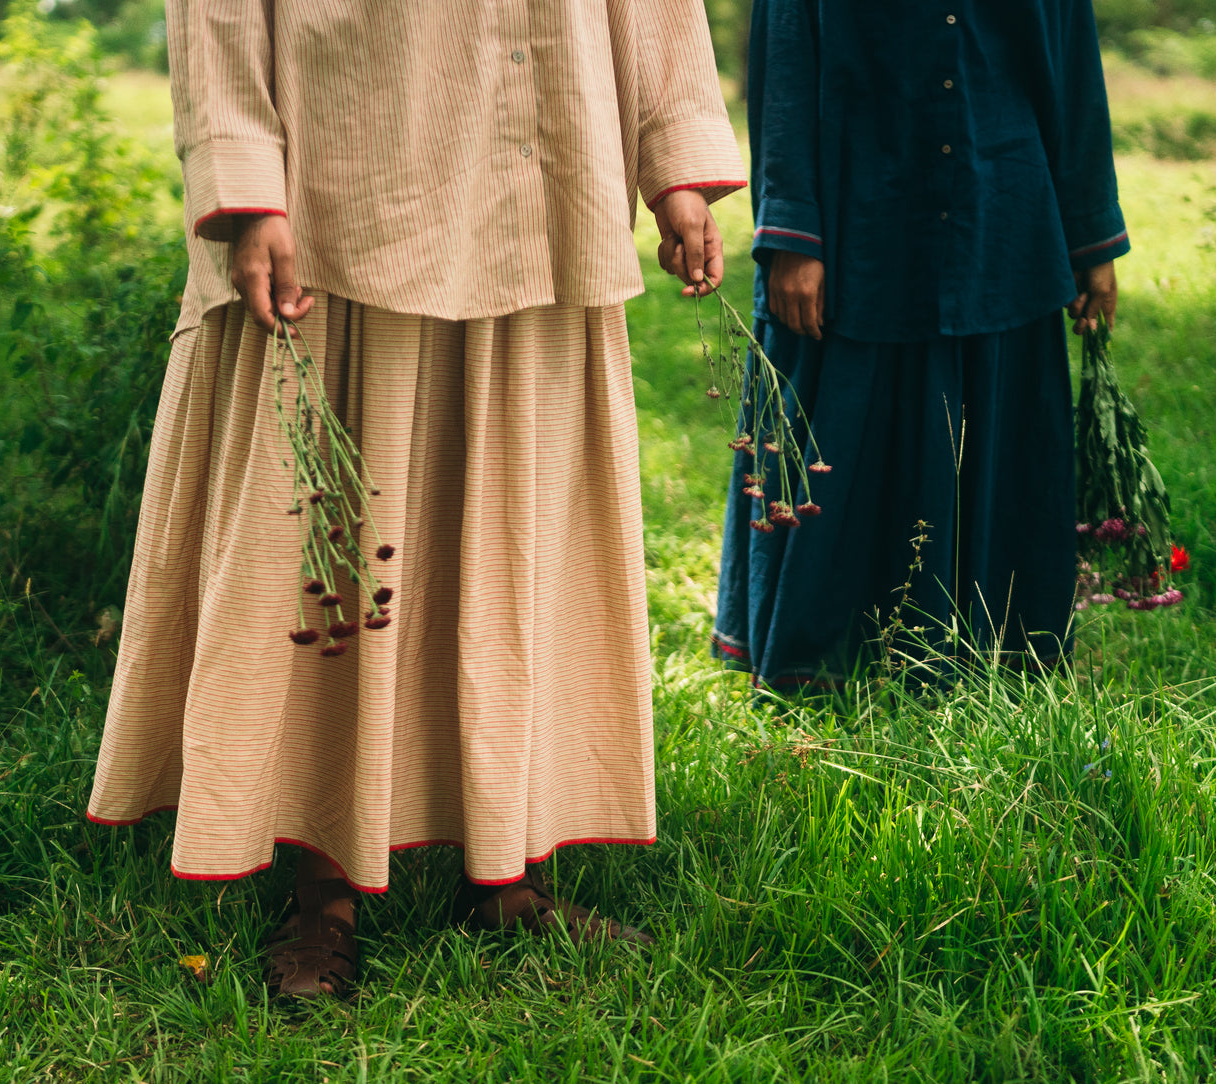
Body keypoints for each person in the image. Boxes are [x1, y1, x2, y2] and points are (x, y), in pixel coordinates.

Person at [86, 0, 745, 998]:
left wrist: (674, 161)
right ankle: (326, 886)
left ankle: (508, 866)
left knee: (515, 538)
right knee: (337, 543)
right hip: (347, 172)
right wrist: (246, 189)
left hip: (546, 166)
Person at [714, 0, 1130, 688]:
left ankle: (988, 655)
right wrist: (791, 232)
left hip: (1002, 207)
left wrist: (1090, 237)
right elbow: (785, 60)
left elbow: (1072, 67)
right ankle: (821, 663)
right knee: (838, 436)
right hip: (855, 211)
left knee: (995, 437)